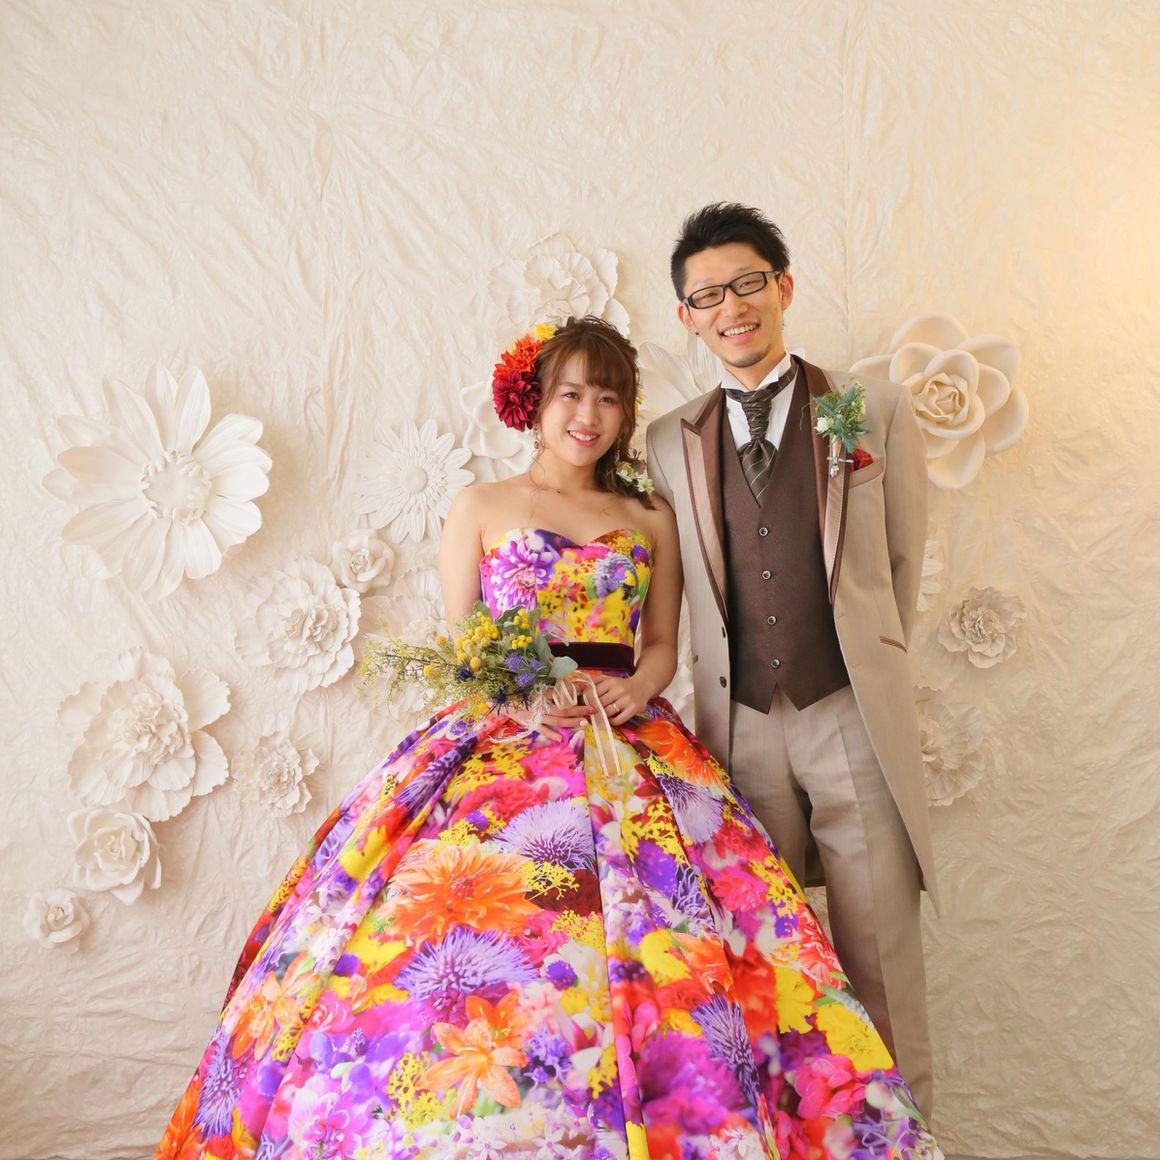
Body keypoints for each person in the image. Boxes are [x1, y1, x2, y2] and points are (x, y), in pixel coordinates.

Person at [156, 316, 941, 1159]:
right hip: (502, 739)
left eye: (608, 398)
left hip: (627, 740)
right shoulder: (482, 505)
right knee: (462, 946)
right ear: (534, 404)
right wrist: (523, 696)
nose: (588, 416)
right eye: (571, 394)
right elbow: (464, 640)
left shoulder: (648, 515)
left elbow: (663, 644)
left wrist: (637, 687)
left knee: (695, 948)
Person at [646, 203, 937, 1116]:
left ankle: (907, 1137)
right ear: (688, 316)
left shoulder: (872, 407)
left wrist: (861, 670)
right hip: (735, 729)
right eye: (708, 295)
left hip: (850, 713)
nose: (731, 307)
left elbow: (900, 565)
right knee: (761, 964)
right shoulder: (665, 439)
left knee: (880, 952)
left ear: (784, 287)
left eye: (747, 284)